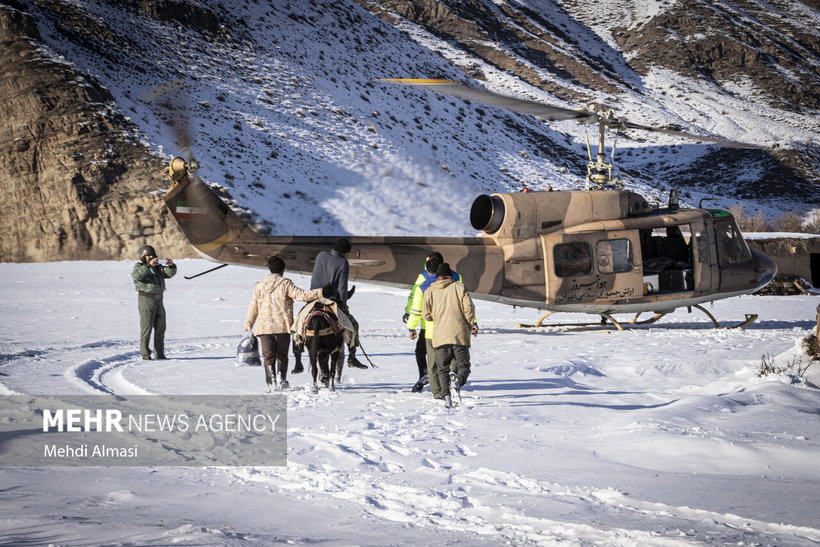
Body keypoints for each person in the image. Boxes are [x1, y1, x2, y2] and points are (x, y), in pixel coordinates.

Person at [245, 256, 324, 390]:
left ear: (270, 269)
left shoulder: (260, 285)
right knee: (282, 355)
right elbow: (301, 295)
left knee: (268, 356)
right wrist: (320, 292)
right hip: (283, 326)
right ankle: (282, 380)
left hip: (264, 327)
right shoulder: (285, 283)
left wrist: (248, 324)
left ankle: (271, 384)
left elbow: (253, 307)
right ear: (283, 270)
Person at [404, 252, 462, 395]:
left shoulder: (423, 280)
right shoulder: (456, 277)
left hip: (428, 326)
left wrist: (409, 318)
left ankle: (433, 384)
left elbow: (415, 300)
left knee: (426, 355)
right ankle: (452, 375)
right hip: (453, 325)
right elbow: (464, 301)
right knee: (452, 352)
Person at [422, 263, 479, 407]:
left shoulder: (429, 291)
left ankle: (447, 399)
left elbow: (425, 314)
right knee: (463, 365)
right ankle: (458, 381)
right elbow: (469, 308)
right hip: (459, 335)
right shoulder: (460, 288)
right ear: (450, 275)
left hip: (440, 336)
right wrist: (468, 323)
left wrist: (436, 318)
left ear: (437, 277)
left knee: (442, 369)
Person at [308, 238, 366, 369]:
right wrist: (343, 304)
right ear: (346, 251)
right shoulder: (342, 262)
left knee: (299, 322)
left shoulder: (321, 254)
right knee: (354, 325)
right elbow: (342, 288)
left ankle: (298, 353)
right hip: (330, 300)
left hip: (313, 298)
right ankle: (352, 356)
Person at [131, 244, 177, 360]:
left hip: (159, 299)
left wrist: (171, 266)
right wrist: (148, 266)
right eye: (148, 256)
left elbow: (169, 274)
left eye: (153, 255)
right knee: (146, 328)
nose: (151, 257)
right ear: (143, 257)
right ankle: (145, 355)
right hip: (146, 299)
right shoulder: (139, 266)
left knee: (161, 327)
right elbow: (137, 276)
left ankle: (160, 354)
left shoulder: (157, 268)